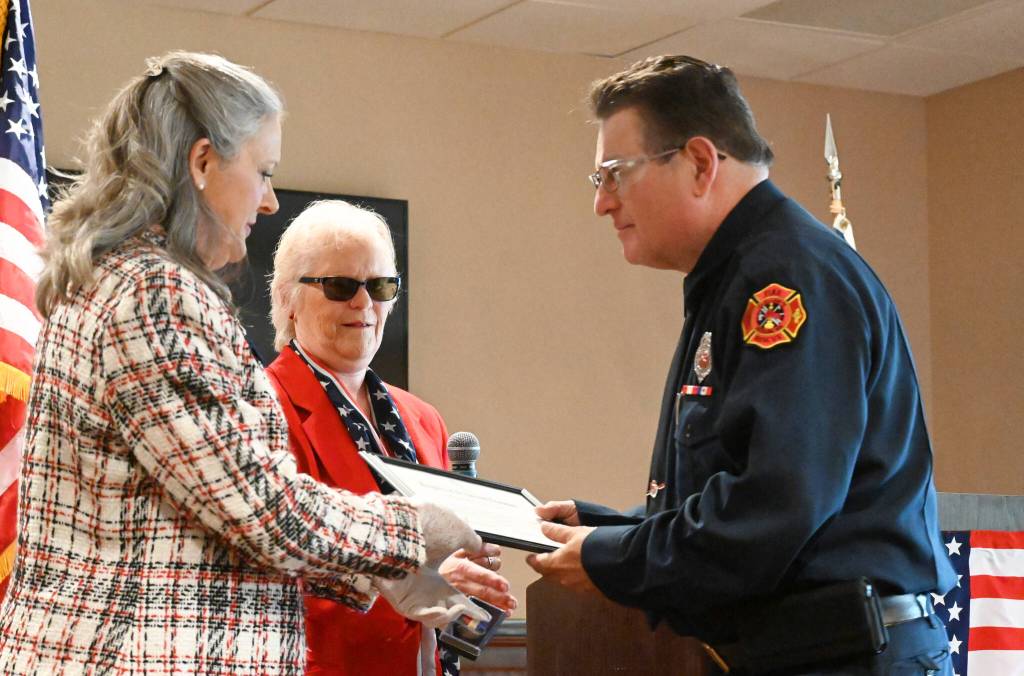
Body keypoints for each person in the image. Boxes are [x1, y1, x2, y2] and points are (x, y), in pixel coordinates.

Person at [0, 51, 486, 674]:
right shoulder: (157, 294)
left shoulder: (111, 280)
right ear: (203, 163)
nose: (270, 202)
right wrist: (415, 530)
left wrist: (385, 578)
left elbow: (198, 523)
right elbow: (261, 508)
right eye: (263, 171)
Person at [527, 55, 955, 676]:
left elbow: (775, 507)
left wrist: (615, 556)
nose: (602, 203)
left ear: (701, 163)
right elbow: (738, 483)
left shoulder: (785, 279)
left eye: (615, 174)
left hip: (842, 658)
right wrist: (604, 530)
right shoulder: (738, 277)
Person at [265, 199, 518, 676]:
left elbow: (434, 559)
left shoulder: (423, 418)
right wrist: (423, 574)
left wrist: (461, 573)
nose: (364, 304)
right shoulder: (263, 408)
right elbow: (277, 568)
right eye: (340, 287)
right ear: (287, 300)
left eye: (380, 286)